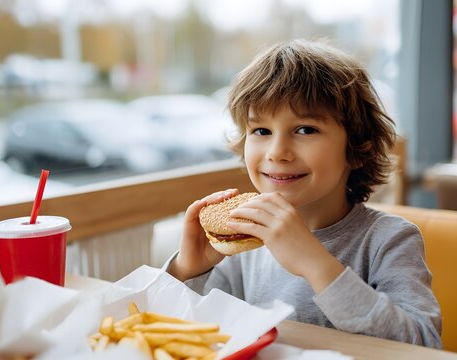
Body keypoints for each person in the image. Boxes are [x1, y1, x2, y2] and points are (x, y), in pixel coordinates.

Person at [165, 39, 442, 348]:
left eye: (306, 130)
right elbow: (196, 336)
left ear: (357, 149)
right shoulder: (243, 241)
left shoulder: (389, 240)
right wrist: (187, 271)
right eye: (261, 131)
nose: (277, 152)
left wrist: (315, 264)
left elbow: (424, 345)